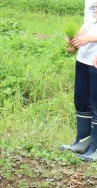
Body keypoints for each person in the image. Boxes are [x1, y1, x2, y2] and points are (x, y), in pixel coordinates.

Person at [59, 0, 97, 161]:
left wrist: (89, 38)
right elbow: (88, 22)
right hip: (84, 57)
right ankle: (83, 141)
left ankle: (95, 147)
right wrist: (77, 37)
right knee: (81, 100)